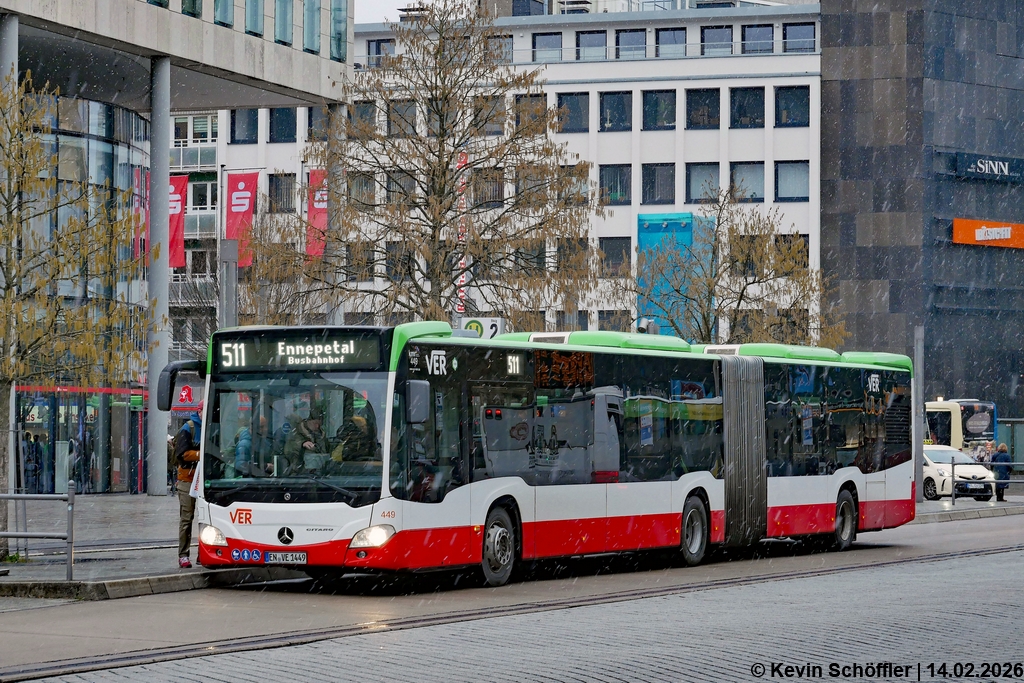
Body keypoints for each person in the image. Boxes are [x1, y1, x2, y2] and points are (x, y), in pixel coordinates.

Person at [173, 401, 203, 568]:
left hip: (204, 481)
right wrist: (201, 453)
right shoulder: (188, 428)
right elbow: (182, 454)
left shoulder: (210, 427)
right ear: (199, 411)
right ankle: (183, 555)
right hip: (187, 480)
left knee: (206, 519)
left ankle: (203, 553)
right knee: (187, 518)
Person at [284, 405, 329, 473]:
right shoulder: (297, 432)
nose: (317, 426)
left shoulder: (322, 435)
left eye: (319, 424)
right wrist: (302, 444)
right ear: (308, 421)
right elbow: (288, 450)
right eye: (315, 423)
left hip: (320, 472)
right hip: (300, 472)